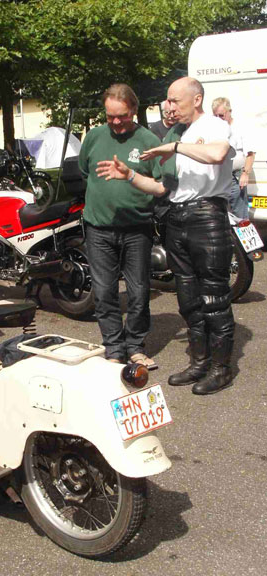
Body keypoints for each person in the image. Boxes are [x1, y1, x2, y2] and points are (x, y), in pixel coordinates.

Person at [96, 77, 235, 395]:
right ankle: (200, 362)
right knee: (188, 300)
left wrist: (174, 147)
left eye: (174, 100)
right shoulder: (176, 132)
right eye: (168, 101)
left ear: (196, 99)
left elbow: (216, 154)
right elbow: (161, 187)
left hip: (207, 216)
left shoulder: (214, 125)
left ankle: (221, 367)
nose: (168, 106)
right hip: (177, 216)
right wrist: (129, 175)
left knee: (213, 298)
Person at [78, 83, 161, 368]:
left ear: (134, 111)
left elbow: (160, 183)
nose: (115, 122)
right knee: (104, 293)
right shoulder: (94, 137)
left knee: (138, 291)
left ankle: (135, 346)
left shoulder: (149, 140)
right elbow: (84, 169)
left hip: (137, 229)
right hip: (99, 228)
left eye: (121, 116)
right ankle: (114, 348)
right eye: (110, 116)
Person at [212, 97, 256, 220]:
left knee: (240, 216)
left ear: (229, 111)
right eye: (215, 116)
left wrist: (245, 173)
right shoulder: (214, 129)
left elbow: (250, 154)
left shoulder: (240, 127)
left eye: (221, 115)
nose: (218, 119)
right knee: (219, 216)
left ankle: (242, 238)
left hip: (235, 177)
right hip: (218, 178)